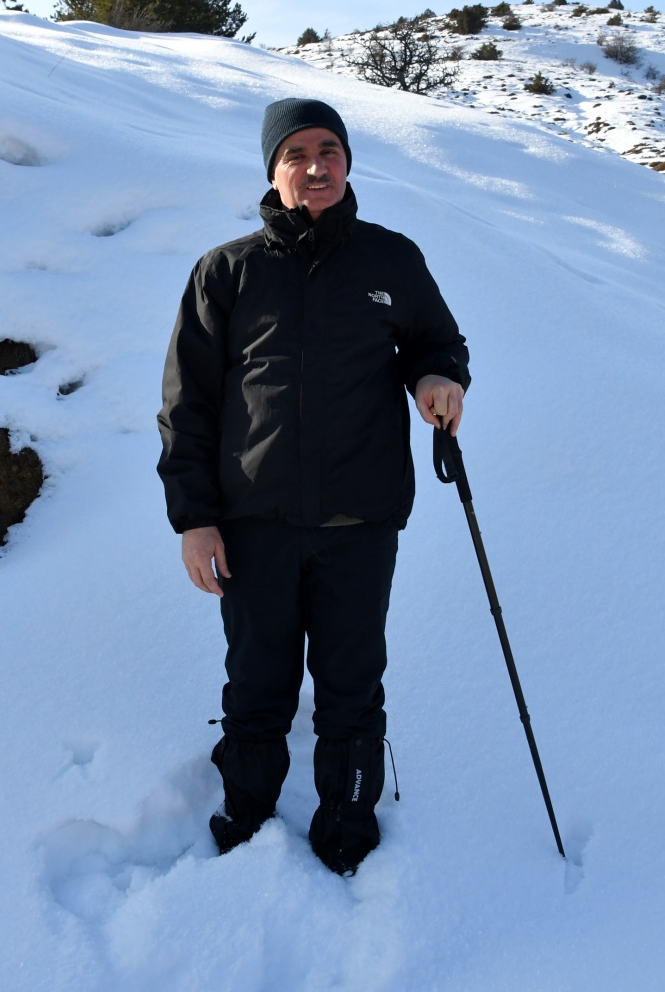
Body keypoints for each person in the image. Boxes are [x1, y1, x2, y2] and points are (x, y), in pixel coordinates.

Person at [157, 97, 469, 875]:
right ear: (274, 170)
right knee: (257, 685)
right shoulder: (227, 271)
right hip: (253, 523)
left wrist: (436, 378)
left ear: (347, 162)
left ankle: (347, 821)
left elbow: (437, 341)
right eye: (297, 153)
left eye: (329, 149)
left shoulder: (390, 259)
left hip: (360, 521)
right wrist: (195, 519)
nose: (316, 165)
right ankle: (249, 815)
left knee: (352, 685)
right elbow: (186, 407)